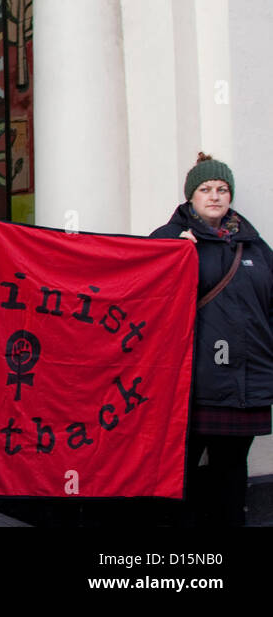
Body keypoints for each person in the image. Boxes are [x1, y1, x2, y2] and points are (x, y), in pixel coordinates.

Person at [150, 153, 273, 526]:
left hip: (247, 381)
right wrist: (175, 250)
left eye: (222, 189)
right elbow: (148, 297)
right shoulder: (170, 238)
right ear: (191, 197)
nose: (215, 196)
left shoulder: (253, 245)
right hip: (195, 381)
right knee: (179, 469)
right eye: (205, 189)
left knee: (233, 469)